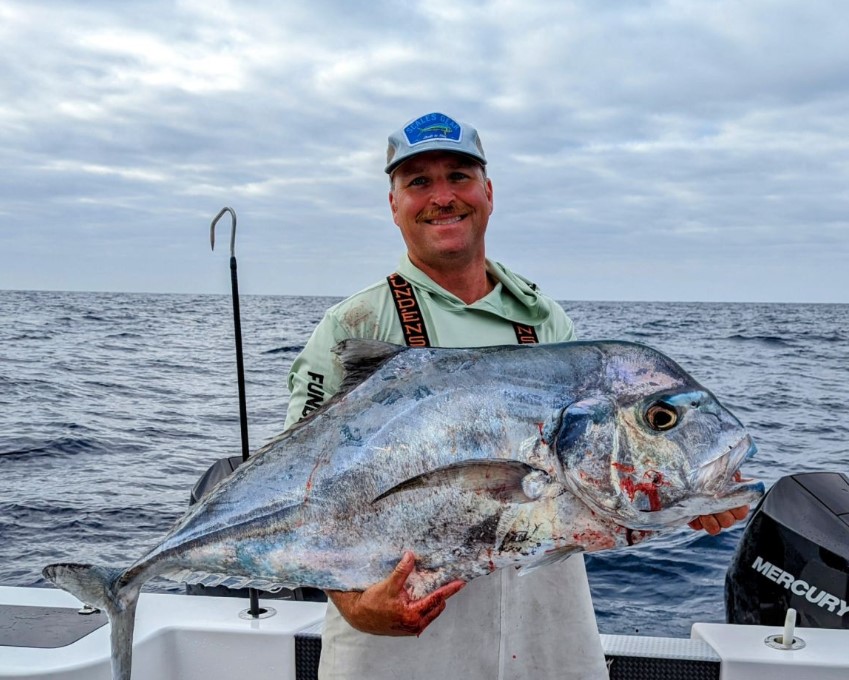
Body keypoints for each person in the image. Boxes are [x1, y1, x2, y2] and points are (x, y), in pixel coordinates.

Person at [283, 112, 749, 680]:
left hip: (543, 619)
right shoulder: (352, 323)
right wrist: (357, 607)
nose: (442, 197)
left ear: (488, 193)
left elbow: (592, 475)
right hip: (395, 628)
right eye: (418, 182)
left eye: (458, 176)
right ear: (393, 203)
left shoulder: (543, 319)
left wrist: (680, 497)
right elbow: (298, 487)